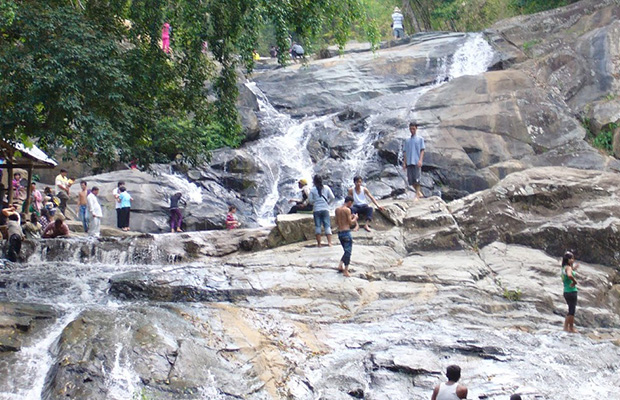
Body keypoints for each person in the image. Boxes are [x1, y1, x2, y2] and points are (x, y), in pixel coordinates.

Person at [308, 175, 335, 247]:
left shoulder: (312, 190)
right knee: (327, 226)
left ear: (314, 181)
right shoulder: (326, 188)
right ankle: (330, 243)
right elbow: (332, 197)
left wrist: (315, 202)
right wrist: (328, 203)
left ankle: (319, 244)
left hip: (316, 209)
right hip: (325, 209)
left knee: (318, 226)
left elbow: (310, 201)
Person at [335, 196, 358, 277]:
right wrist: (355, 218)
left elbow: (337, 221)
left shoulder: (337, 209)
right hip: (346, 232)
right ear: (349, 202)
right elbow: (351, 223)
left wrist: (349, 218)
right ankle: (346, 270)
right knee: (348, 252)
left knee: (346, 251)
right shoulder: (347, 210)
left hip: (340, 232)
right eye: (351, 203)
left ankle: (340, 265)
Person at [402, 121, 425, 200]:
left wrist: (420, 160)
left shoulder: (420, 139)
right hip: (409, 162)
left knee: (417, 179)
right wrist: (404, 163)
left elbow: (422, 150)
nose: (412, 130)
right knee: (410, 180)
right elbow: (404, 152)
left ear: (416, 129)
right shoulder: (407, 140)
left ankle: (417, 195)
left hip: (416, 161)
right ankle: (419, 193)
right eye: (411, 129)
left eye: (413, 129)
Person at [562, 251, 579, 333]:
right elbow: (569, 275)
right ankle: (571, 328)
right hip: (571, 291)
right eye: (571, 258)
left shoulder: (564, 267)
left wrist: (574, 268)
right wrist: (574, 281)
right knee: (572, 310)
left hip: (566, 291)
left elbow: (568, 272)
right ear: (568, 259)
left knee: (570, 309)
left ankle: (565, 327)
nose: (573, 260)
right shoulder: (568, 268)